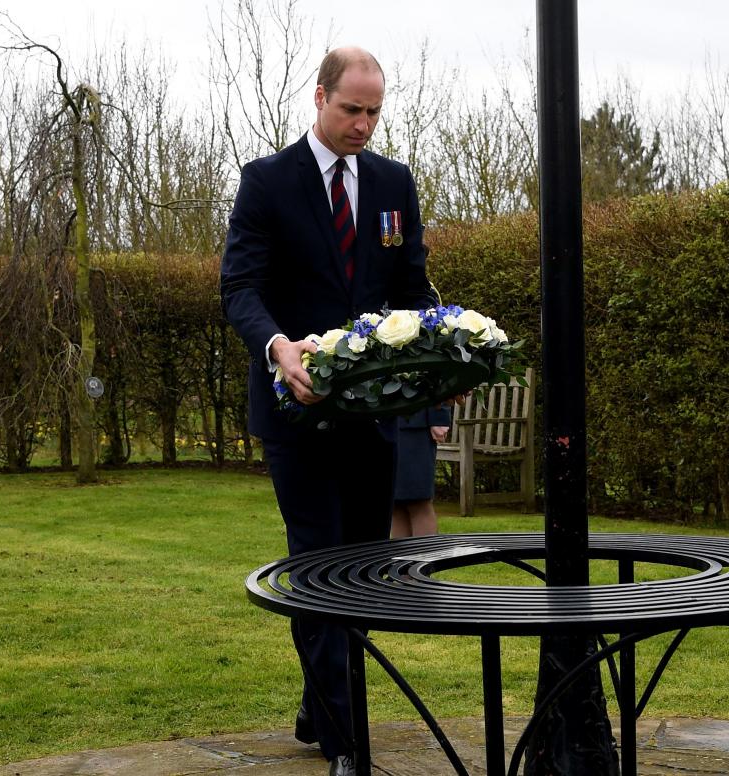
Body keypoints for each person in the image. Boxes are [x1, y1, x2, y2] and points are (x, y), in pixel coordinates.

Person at [220, 47, 436, 776]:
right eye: (351, 109)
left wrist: (445, 357)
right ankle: (348, 741)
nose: (364, 125)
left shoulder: (391, 183)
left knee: (361, 570)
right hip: (295, 414)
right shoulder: (267, 182)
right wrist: (278, 346)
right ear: (319, 98)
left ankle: (320, 704)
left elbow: (411, 289)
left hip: (370, 419)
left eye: (375, 112)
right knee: (317, 566)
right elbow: (240, 289)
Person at [390, 406, 452, 537]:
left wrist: (439, 417)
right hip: (384, 421)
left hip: (415, 424)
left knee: (418, 501)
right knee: (395, 503)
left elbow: (438, 385)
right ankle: (403, 558)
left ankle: (428, 557)